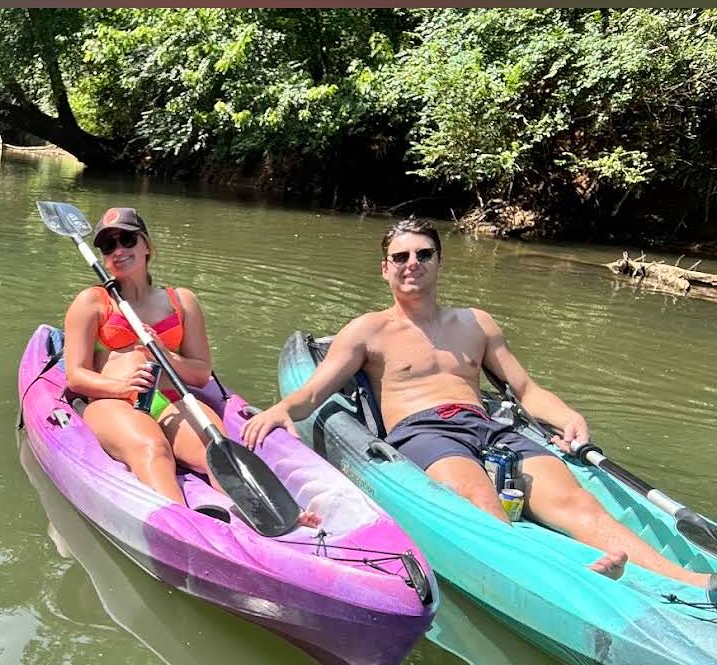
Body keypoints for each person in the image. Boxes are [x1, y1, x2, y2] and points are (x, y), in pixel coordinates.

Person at [243, 216, 715, 594]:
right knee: (479, 504)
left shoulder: (475, 322)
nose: (413, 264)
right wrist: (280, 411)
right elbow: (313, 391)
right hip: (423, 432)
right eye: (400, 257)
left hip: (488, 428)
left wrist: (569, 415)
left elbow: (526, 391)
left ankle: (691, 582)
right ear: (384, 268)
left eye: (424, 254)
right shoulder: (368, 329)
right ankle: (566, 582)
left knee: (577, 503)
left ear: (439, 263)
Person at [61, 207, 231, 507]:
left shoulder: (182, 301)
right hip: (110, 401)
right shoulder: (92, 302)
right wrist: (122, 387)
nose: (118, 250)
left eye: (127, 239)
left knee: (216, 451)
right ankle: (180, 530)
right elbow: (75, 376)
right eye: (108, 245)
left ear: (147, 245)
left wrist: (164, 353)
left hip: (167, 399)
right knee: (153, 448)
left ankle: (269, 529)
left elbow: (200, 373)